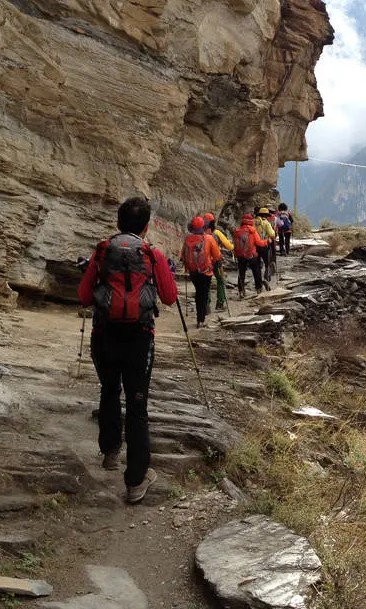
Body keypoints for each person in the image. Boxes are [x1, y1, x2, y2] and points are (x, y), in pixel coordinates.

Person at [78, 196, 178, 504]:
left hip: (104, 334)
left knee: (109, 389)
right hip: (139, 337)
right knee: (137, 406)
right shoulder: (152, 253)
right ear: (146, 226)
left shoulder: (103, 250)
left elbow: (84, 295)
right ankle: (136, 481)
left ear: (118, 222)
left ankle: (110, 451)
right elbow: (170, 297)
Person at [180, 215, 222, 328]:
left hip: (193, 272)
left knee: (199, 292)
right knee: (203, 294)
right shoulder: (208, 238)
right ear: (204, 227)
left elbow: (182, 256)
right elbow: (217, 255)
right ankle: (201, 319)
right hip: (205, 271)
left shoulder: (188, 239)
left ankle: (201, 316)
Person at [202, 212, 233, 313]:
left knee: (206, 283)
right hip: (216, 261)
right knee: (220, 281)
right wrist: (233, 247)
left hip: (204, 262)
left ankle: (206, 305)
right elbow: (228, 246)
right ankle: (220, 303)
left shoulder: (199, 234)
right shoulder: (217, 233)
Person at [233, 213, 266, 298]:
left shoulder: (237, 231)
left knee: (241, 273)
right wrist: (267, 241)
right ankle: (258, 289)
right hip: (251, 254)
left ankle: (241, 291)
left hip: (240, 255)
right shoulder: (252, 230)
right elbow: (259, 243)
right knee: (256, 271)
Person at [255, 207, 276, 285]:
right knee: (267, 262)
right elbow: (272, 234)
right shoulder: (266, 223)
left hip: (255, 246)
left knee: (257, 265)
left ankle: (258, 281)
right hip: (264, 245)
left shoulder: (254, 222)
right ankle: (266, 278)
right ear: (265, 215)